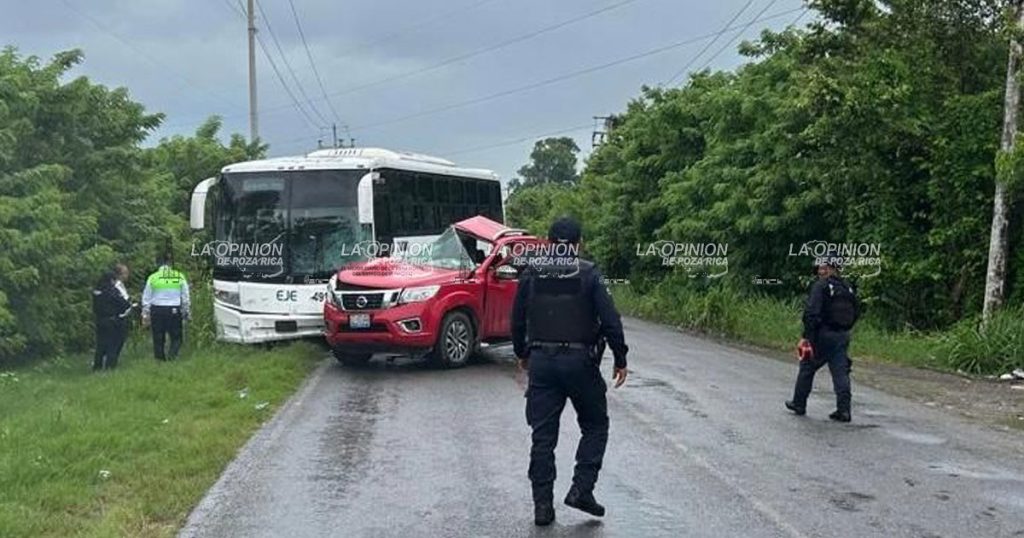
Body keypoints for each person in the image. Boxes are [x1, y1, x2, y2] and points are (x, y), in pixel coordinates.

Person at [511, 216, 629, 527]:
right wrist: (620, 357)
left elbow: (517, 319)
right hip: (580, 363)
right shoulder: (589, 273)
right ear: (578, 244)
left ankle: (542, 507)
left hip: (542, 362)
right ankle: (582, 489)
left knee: (542, 437)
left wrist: (522, 353)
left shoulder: (531, 272)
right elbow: (611, 320)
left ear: (548, 243)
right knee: (595, 425)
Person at [786, 261, 860, 422]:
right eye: (820, 268)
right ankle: (844, 410)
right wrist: (845, 329)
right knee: (840, 372)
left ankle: (798, 403)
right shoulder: (848, 288)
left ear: (832, 269)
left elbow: (811, 313)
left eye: (823, 268)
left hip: (822, 335)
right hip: (842, 336)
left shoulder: (821, 286)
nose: (821, 271)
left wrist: (807, 337)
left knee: (807, 366)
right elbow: (856, 312)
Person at [142, 253, 191, 361]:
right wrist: (186, 311)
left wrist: (146, 313)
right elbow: (185, 297)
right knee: (176, 337)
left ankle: (160, 359)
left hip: (157, 309)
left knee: (158, 336)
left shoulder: (153, 277)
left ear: (158, 264)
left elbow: (146, 297)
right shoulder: (179, 276)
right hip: (174, 309)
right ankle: (172, 356)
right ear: (170, 263)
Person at [92, 263, 134, 371]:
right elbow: (123, 304)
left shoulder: (97, 291)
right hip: (112, 321)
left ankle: (97, 367)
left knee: (100, 345)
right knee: (113, 345)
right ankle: (110, 367)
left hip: (100, 320)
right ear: (111, 280)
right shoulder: (111, 291)